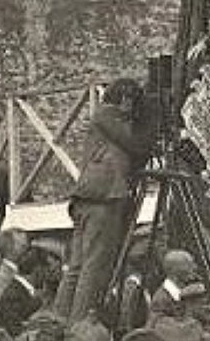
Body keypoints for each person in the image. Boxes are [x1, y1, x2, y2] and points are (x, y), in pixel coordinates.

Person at [56, 79, 150, 322]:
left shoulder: (104, 117)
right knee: (93, 268)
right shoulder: (108, 115)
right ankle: (79, 325)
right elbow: (137, 145)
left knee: (78, 267)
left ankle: (61, 320)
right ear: (125, 99)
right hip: (103, 198)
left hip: (89, 198)